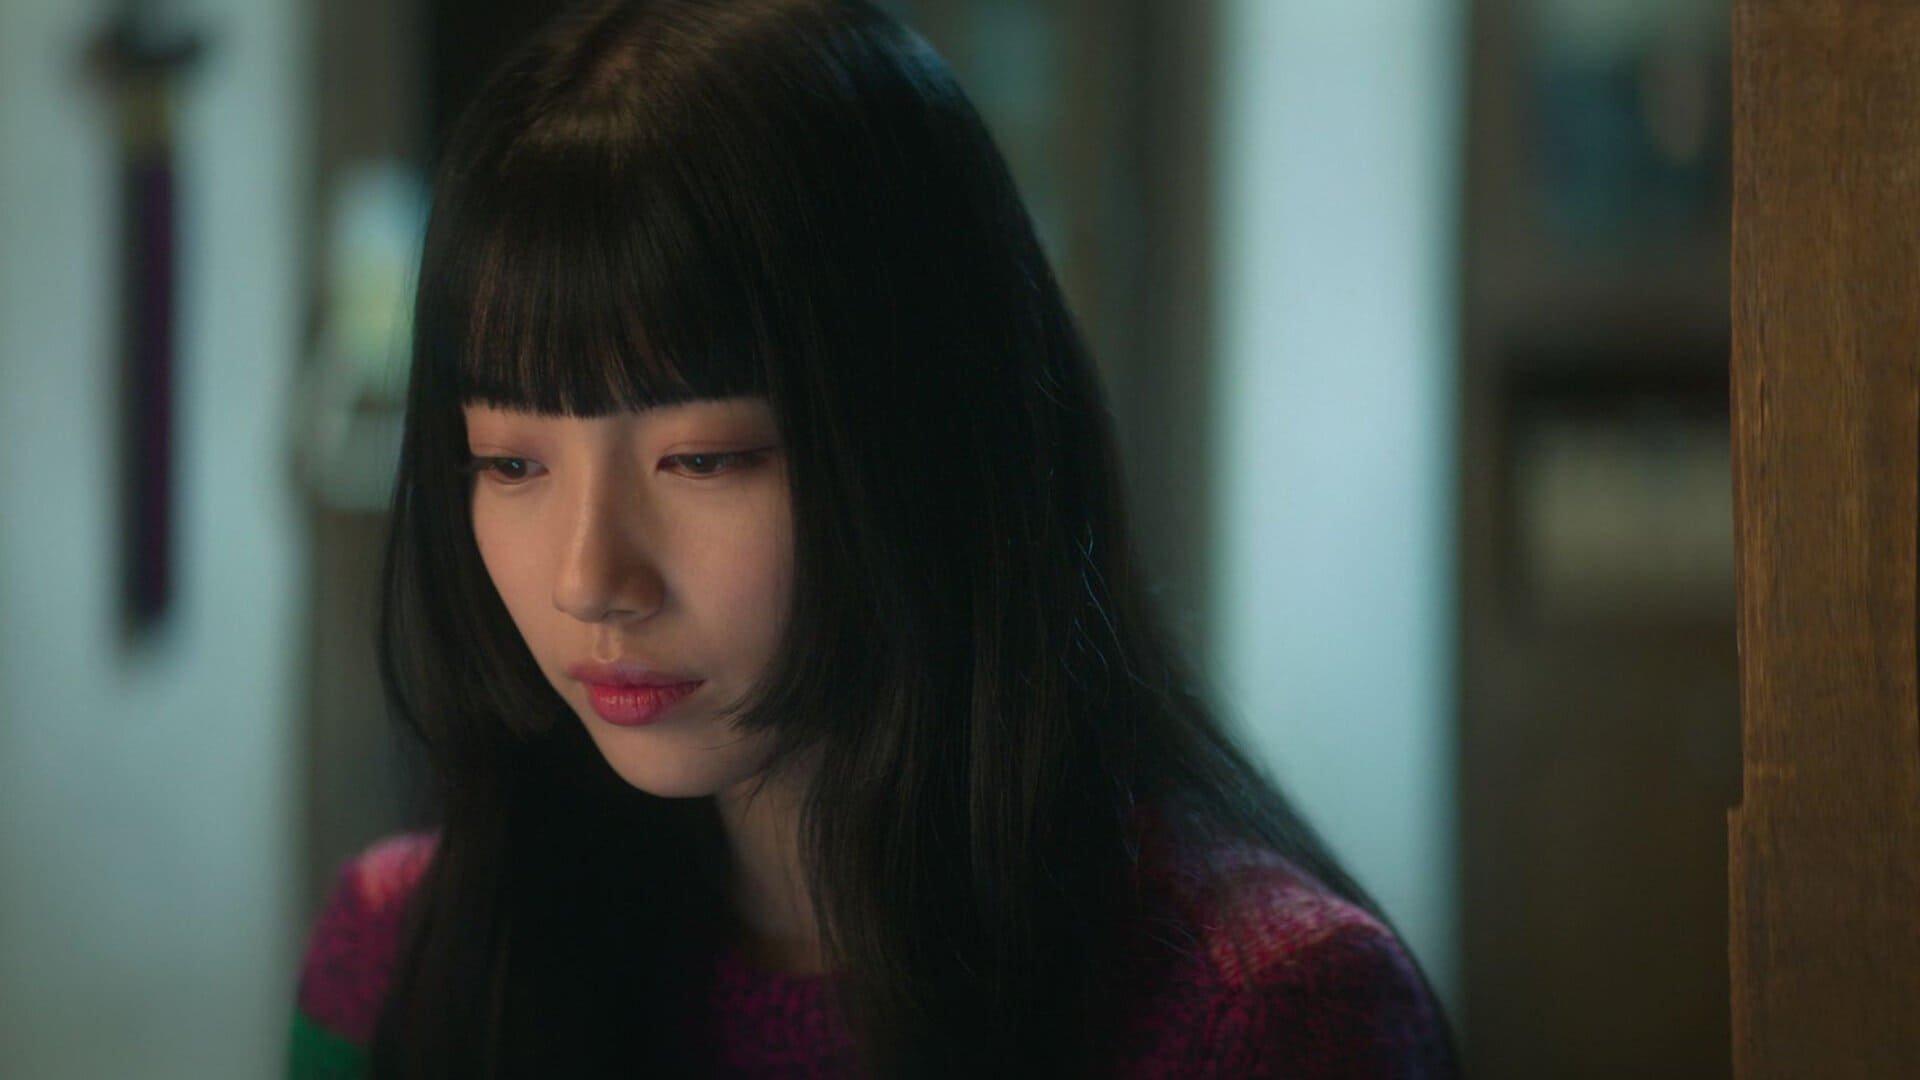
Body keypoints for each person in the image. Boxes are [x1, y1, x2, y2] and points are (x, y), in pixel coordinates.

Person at [289, 0, 1456, 1076]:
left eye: (703, 459)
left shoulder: (1259, 1009)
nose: (591, 577)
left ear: (924, 442)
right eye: (511, 464)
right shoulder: (404, 951)